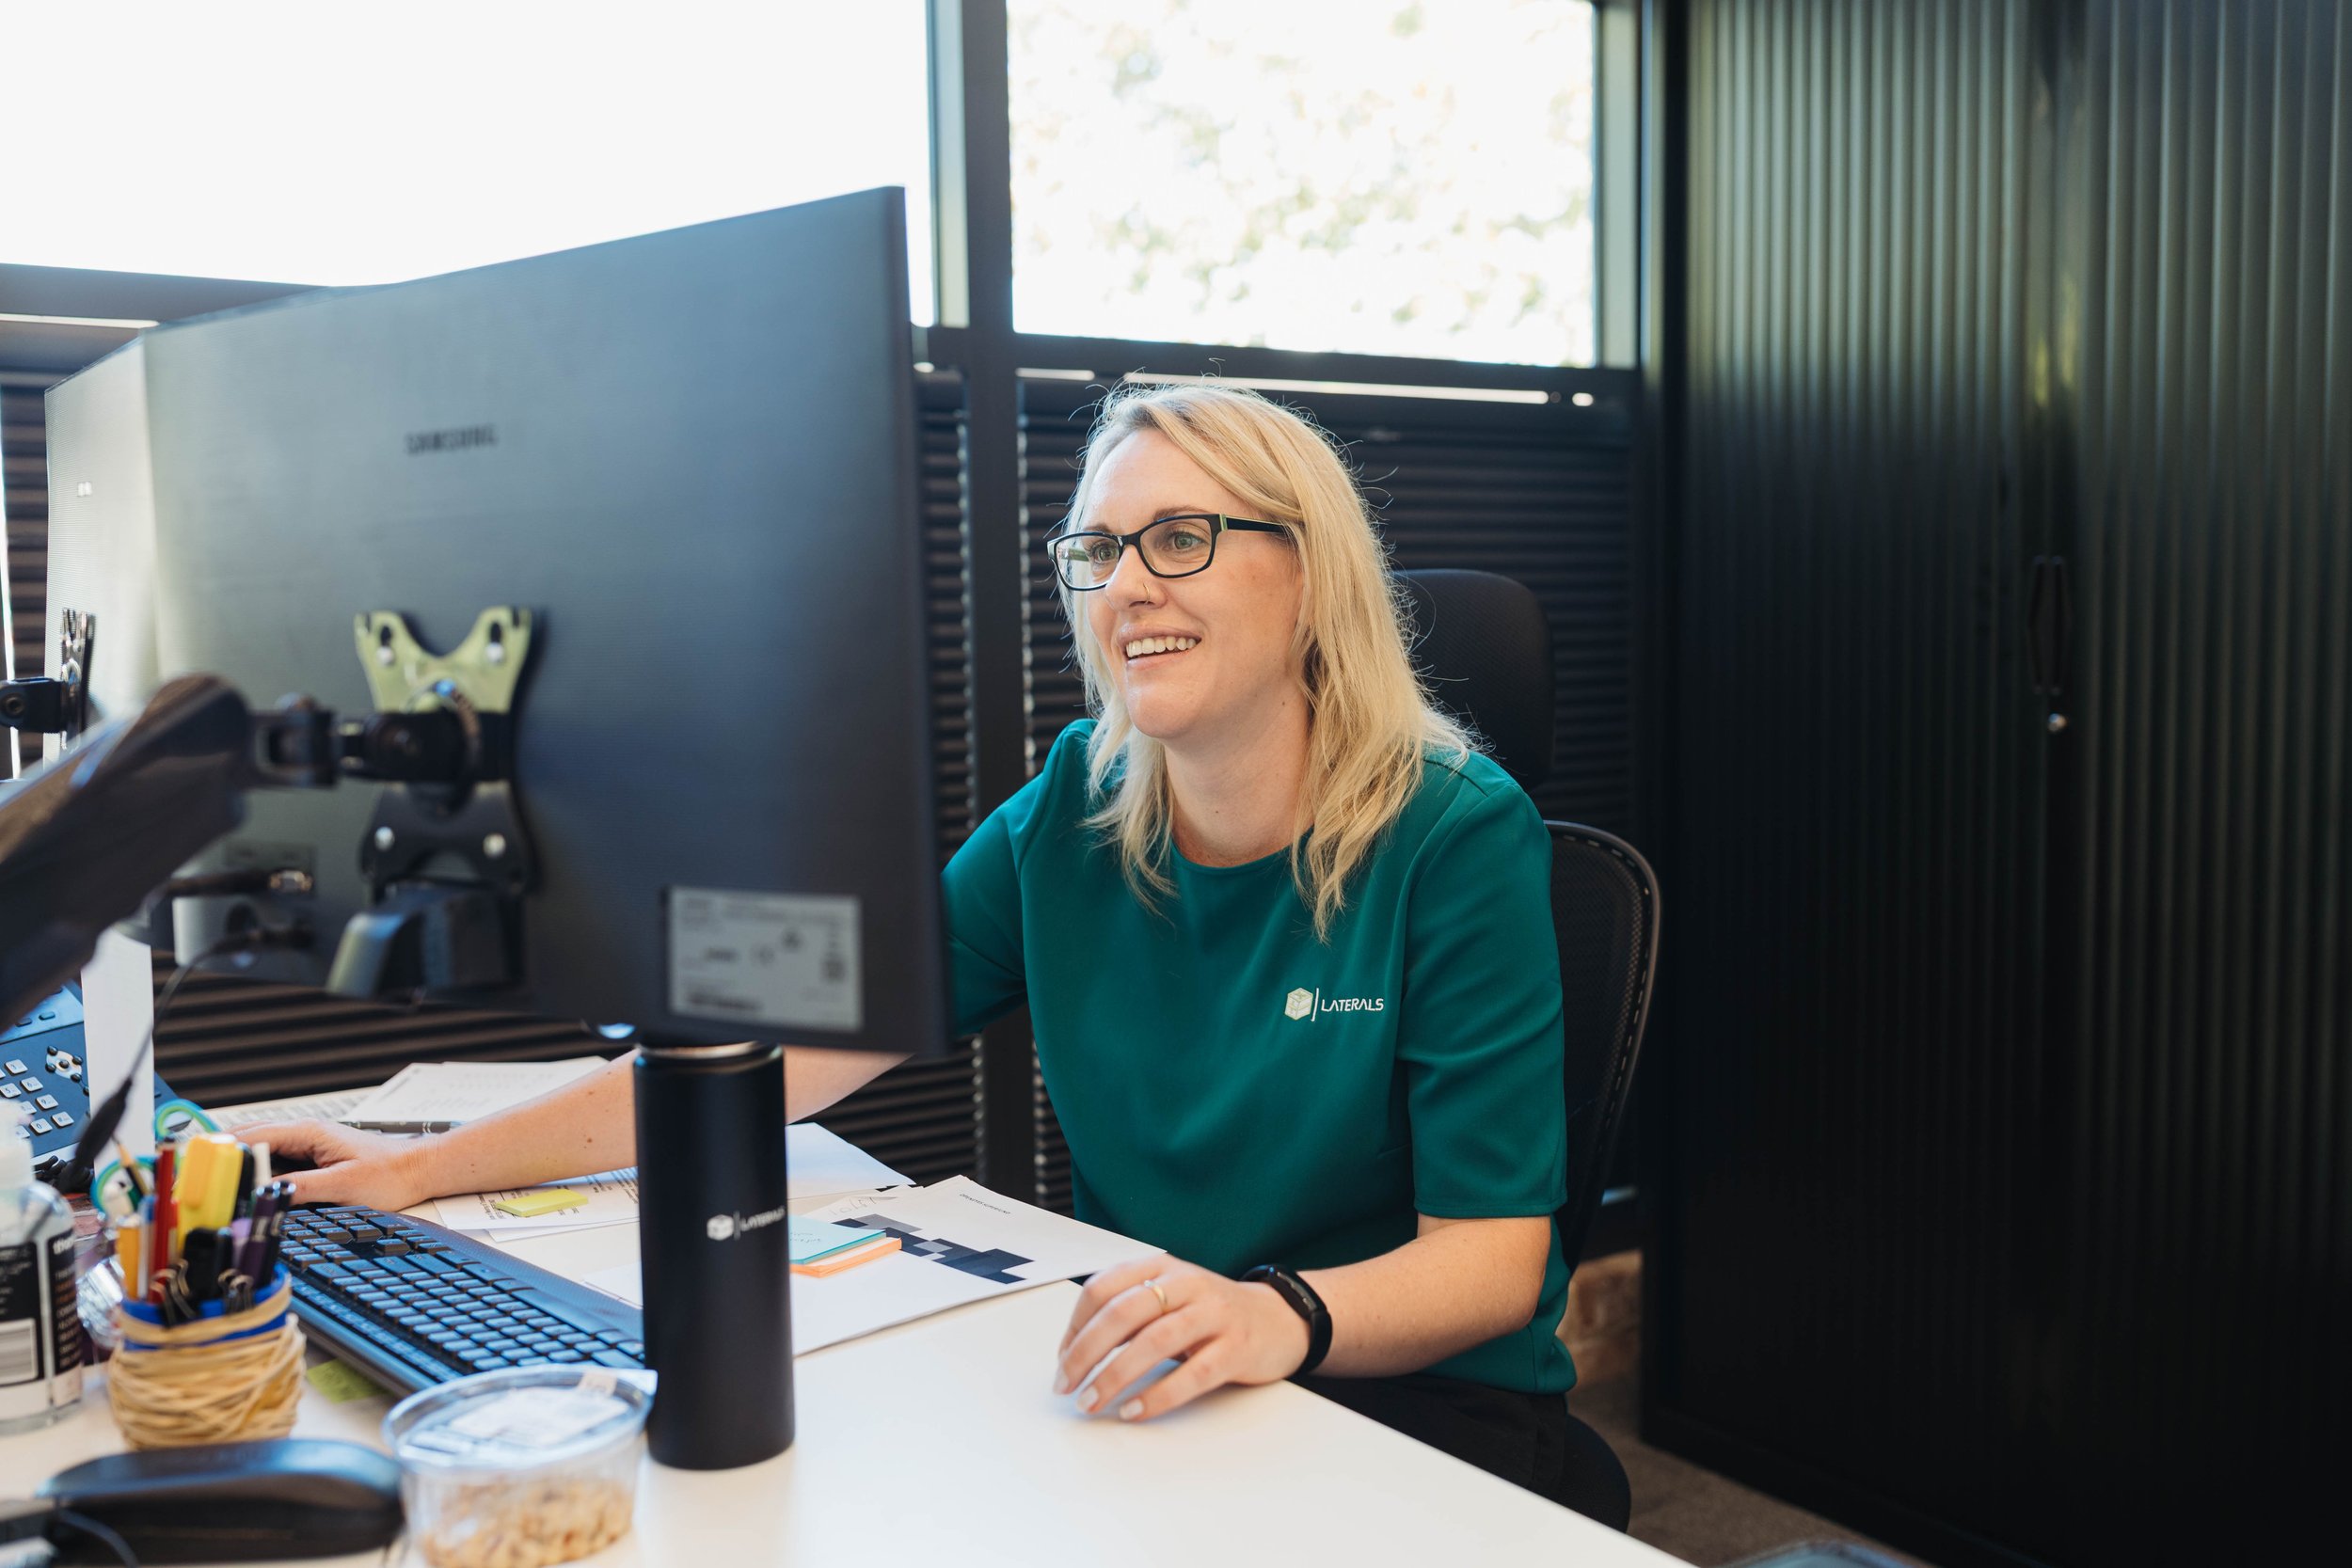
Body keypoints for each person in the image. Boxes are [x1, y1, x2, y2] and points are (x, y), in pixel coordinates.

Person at [247, 382, 1617, 1518]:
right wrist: (416, 1174)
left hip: (1405, 1396)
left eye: (1182, 537)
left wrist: (1277, 1315)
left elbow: (1493, 1260)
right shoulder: (1075, 811)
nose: (1128, 584)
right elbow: (772, 1055)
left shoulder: (1453, 833)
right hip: (1153, 1365)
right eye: (1097, 549)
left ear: (1310, 573)